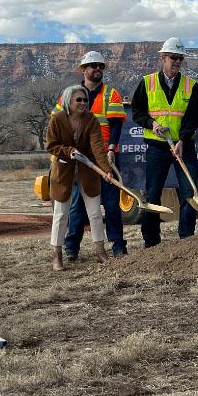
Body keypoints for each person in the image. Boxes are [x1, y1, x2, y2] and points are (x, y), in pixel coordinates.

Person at [53, 51, 128, 260]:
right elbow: (58, 123)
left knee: (112, 204)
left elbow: (115, 125)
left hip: (107, 156)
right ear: (83, 69)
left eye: (101, 66)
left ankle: (118, 247)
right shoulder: (68, 95)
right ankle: (71, 249)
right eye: (93, 65)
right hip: (80, 160)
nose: (97, 69)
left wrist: (112, 149)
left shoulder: (111, 94)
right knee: (77, 205)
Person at [131, 37, 198, 245]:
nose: (177, 62)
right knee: (153, 194)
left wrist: (182, 139)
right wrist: (151, 123)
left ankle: (186, 238)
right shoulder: (147, 82)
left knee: (189, 191)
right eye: (173, 57)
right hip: (157, 147)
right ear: (163, 58)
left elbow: (193, 117)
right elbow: (137, 111)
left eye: (180, 58)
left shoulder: (191, 85)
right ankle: (151, 241)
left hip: (184, 146)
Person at [46, 84, 113, 270]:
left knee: (95, 214)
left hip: (88, 172)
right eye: (79, 100)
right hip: (64, 172)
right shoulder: (57, 119)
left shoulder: (91, 119)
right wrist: (68, 151)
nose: (83, 103)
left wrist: (106, 169)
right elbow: (51, 146)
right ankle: (57, 256)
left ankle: (100, 252)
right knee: (61, 214)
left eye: (85, 100)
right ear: (69, 101)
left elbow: (98, 147)